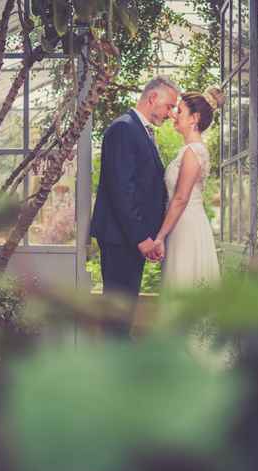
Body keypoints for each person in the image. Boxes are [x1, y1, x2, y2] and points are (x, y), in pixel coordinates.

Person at [89, 76, 179, 334]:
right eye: (169, 106)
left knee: (123, 314)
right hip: (121, 239)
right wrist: (141, 238)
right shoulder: (124, 129)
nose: (171, 113)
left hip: (129, 239)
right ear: (152, 98)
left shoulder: (140, 130)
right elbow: (122, 190)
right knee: (117, 315)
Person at [152, 87, 225, 288]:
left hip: (186, 226)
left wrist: (160, 236)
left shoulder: (194, 151)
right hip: (181, 224)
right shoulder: (189, 150)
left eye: (180, 111)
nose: (174, 115)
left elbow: (181, 198)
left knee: (184, 282)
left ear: (194, 118)